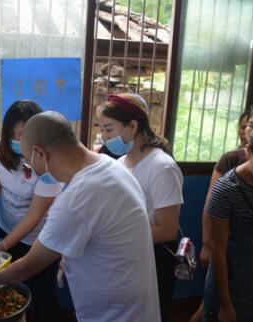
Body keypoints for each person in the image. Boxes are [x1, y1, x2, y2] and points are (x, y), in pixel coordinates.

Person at [0, 111, 161, 322]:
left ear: (40, 153)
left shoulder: (78, 197)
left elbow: (30, 265)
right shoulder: (111, 166)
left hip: (115, 313)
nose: (32, 170)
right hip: (136, 303)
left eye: (30, 164)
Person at [96, 93, 183, 322]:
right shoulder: (120, 163)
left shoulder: (162, 167)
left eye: (109, 129)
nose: (104, 138)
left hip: (155, 256)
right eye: (102, 130)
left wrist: (115, 237)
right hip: (128, 253)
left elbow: (167, 229)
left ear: (132, 126)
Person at [189, 101, 253, 322]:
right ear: (248, 152)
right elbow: (219, 251)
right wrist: (226, 304)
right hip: (232, 278)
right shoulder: (227, 189)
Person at [0, 100, 63, 322]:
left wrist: (7, 245)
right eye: (12, 134)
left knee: (42, 293)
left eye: (23, 134)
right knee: (8, 292)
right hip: (7, 228)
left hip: (40, 239)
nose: (17, 140)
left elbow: (35, 215)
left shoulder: (48, 163)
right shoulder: (2, 148)